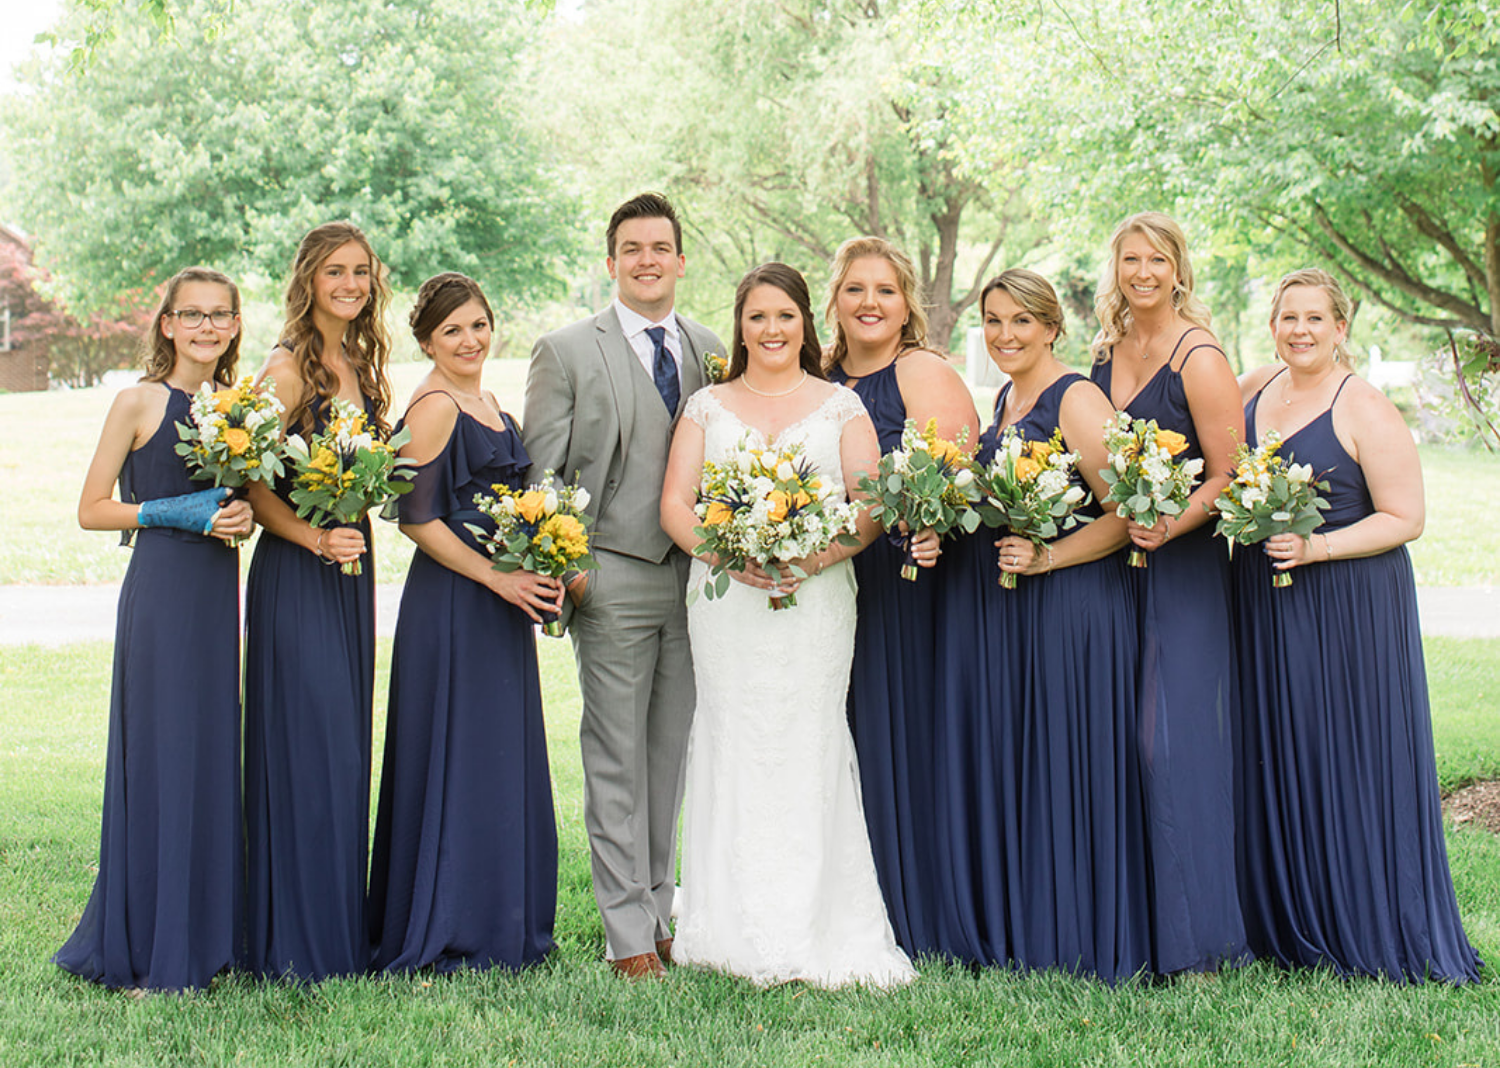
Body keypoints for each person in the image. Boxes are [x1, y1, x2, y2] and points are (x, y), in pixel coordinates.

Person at [660, 261, 914, 988]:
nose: (771, 330)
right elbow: (676, 505)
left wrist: (810, 558)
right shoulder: (707, 406)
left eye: (785, 316)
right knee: (732, 734)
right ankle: (722, 922)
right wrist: (731, 557)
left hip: (818, 598)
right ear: (739, 329)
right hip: (727, 600)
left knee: (809, 735)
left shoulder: (841, 407)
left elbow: (866, 512)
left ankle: (819, 920)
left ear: (807, 323)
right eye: (756, 318)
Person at [1233, 269, 1480, 983]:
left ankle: (1366, 923)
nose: (1300, 330)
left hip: (1348, 602)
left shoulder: (1364, 406)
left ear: (1342, 327)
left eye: (1315, 318)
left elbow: (1408, 518)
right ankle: (1286, 920)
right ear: (1273, 326)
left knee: (1349, 753)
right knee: (1281, 747)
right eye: (1288, 318)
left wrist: (1317, 547)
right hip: (1267, 600)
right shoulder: (1255, 389)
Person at [521, 193, 723, 980]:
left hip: (699, 585)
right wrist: (565, 566)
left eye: (659, 247)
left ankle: (659, 910)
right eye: (630, 249)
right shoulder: (566, 350)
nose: (646, 260)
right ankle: (625, 936)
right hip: (609, 575)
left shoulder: (710, 348)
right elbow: (540, 473)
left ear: (679, 260)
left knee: (669, 757)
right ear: (611, 263)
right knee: (615, 759)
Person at [935, 269, 1148, 981]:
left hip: (1073, 607)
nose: (1005, 335)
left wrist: (1050, 556)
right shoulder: (1004, 394)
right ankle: (1031, 924)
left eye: (1021, 322)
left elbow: (1128, 513)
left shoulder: (1077, 398)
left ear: (1053, 327)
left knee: (1069, 760)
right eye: (993, 322)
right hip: (1017, 607)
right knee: (1030, 760)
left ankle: (1079, 936)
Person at [55, 267, 254, 992]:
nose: (207, 327)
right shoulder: (137, 401)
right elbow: (91, 508)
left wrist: (239, 516)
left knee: (207, 756)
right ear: (166, 323)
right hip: (164, 592)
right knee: (164, 756)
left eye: (220, 315)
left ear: (235, 325)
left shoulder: (240, 407)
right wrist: (173, 512)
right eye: (192, 315)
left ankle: (204, 937)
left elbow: (242, 501)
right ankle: (150, 946)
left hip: (214, 595)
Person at [367, 274, 561, 974]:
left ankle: (498, 919)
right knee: (456, 753)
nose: (470, 340)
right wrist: (494, 576)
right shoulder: (436, 406)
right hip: (455, 602)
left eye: (478, 325)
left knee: (493, 756)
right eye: (452, 331)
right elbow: (415, 519)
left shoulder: (489, 401)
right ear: (426, 341)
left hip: (500, 602)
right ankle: (449, 926)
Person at [1088, 212, 1248, 974]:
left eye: (1157, 260)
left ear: (1178, 269)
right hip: (1107, 571)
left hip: (1181, 569)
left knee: (1170, 743)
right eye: (1130, 259)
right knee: (1119, 743)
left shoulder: (1200, 355)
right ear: (1114, 268)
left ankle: (1201, 939)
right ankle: (1130, 926)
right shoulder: (1102, 351)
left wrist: (1169, 524)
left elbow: (1230, 472)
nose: (1143, 272)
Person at [242, 221, 392, 981]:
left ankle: (336, 932)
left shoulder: (361, 360)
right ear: (308, 278)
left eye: (362, 271)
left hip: (350, 575)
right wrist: (313, 539)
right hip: (300, 573)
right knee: (309, 747)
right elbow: (250, 483)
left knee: (343, 751)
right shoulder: (285, 368)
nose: (352, 284)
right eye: (337, 270)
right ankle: (294, 943)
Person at [822, 236, 978, 956]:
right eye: (856, 289)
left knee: (898, 734)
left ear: (907, 301)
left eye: (884, 290)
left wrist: (929, 528)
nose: (870, 304)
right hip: (823, 582)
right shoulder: (814, 375)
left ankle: (914, 908)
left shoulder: (922, 371)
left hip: (904, 580)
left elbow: (956, 473)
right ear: (835, 301)